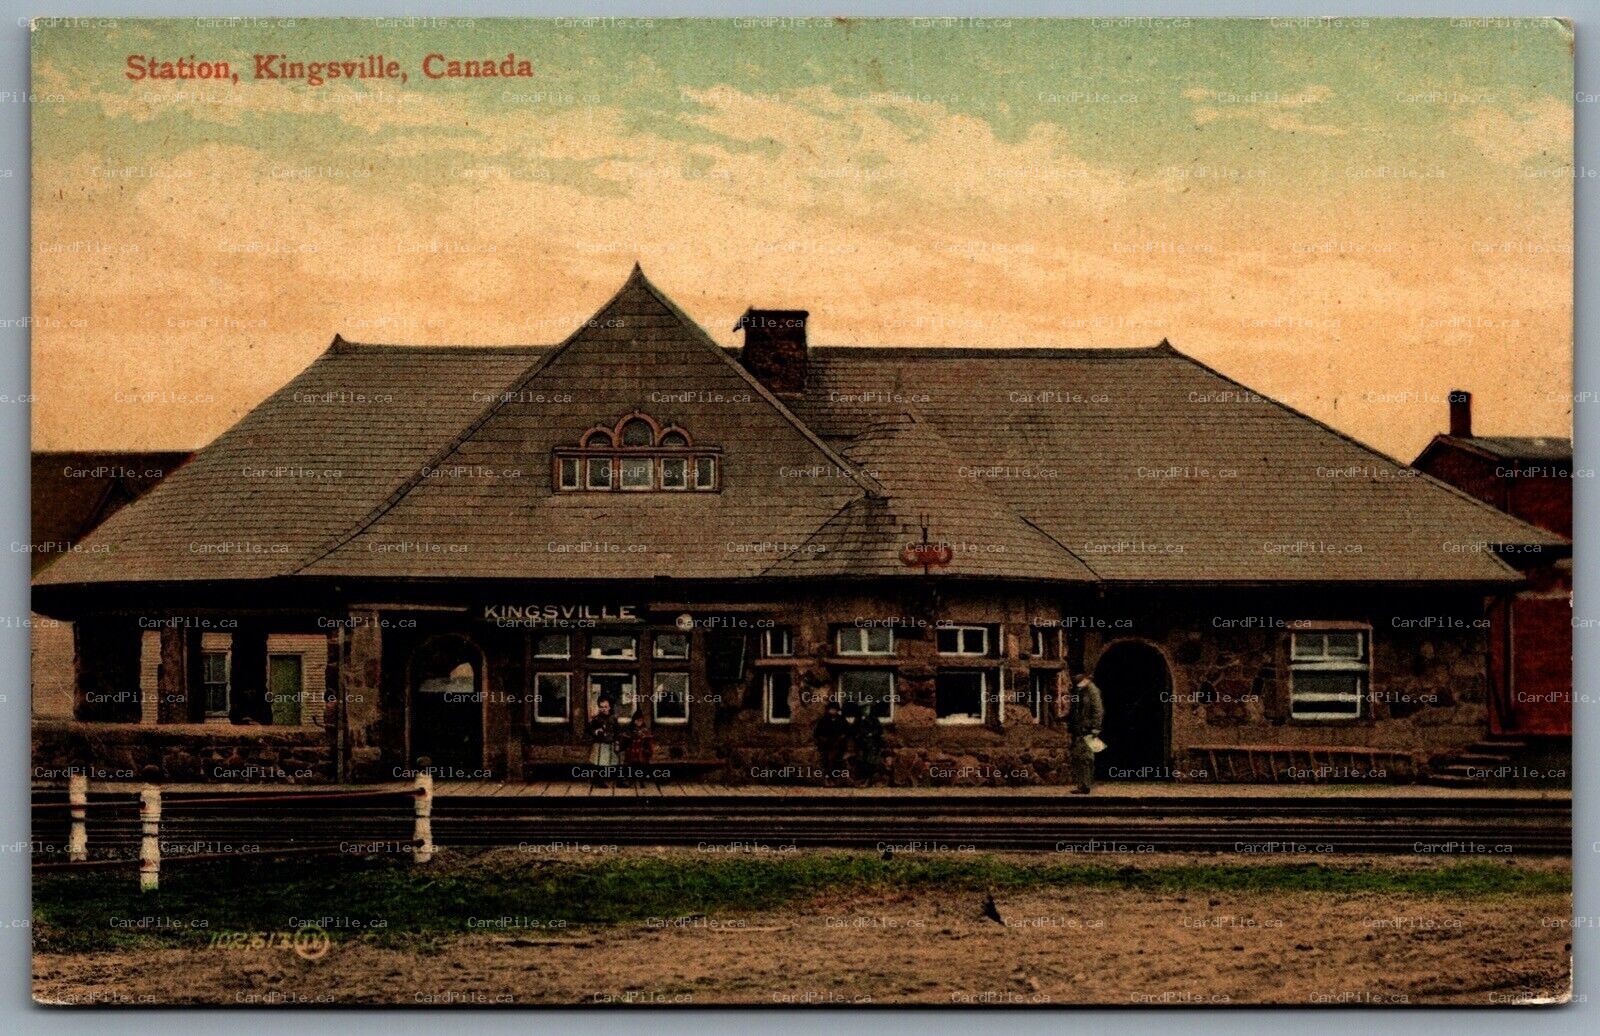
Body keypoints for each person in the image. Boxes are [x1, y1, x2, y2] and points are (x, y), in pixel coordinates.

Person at [1066, 664, 1105, 794]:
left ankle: (1085, 785)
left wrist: (1096, 727)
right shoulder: (1081, 690)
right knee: (1079, 757)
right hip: (1081, 728)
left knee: (1086, 758)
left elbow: (1098, 710)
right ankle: (1082, 784)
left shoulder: (1092, 690)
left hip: (1088, 729)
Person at [812, 700, 850, 786]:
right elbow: (817, 733)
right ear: (828, 710)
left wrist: (841, 738)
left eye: (835, 709)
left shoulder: (842, 720)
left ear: (837, 710)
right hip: (826, 745)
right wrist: (823, 739)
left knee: (836, 760)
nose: (833, 711)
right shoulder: (823, 720)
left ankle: (835, 779)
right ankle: (828, 779)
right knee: (826, 760)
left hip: (839, 745)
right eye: (831, 709)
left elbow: (847, 732)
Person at [852, 701, 886, 786]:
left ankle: (868, 780)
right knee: (861, 761)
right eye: (864, 709)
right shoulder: (858, 719)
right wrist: (859, 736)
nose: (866, 710)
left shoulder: (873, 718)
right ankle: (862, 779)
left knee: (870, 760)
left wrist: (872, 734)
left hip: (873, 744)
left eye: (868, 708)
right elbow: (853, 731)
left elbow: (880, 730)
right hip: (861, 744)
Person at [587, 698, 620, 786]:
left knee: (615, 762)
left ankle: (619, 781)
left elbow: (617, 731)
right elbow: (590, 730)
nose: (603, 709)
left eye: (605, 707)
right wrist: (596, 731)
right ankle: (598, 781)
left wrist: (617, 743)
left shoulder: (613, 718)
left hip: (611, 742)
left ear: (609, 707)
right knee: (600, 763)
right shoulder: (596, 719)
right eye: (601, 707)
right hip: (600, 743)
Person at [618, 710, 654, 788]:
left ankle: (641, 782)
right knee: (631, 767)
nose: (639, 722)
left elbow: (648, 742)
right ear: (634, 721)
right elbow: (624, 740)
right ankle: (631, 780)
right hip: (631, 752)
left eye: (640, 720)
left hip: (641, 753)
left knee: (640, 768)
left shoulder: (645, 730)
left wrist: (648, 750)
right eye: (637, 720)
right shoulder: (630, 729)